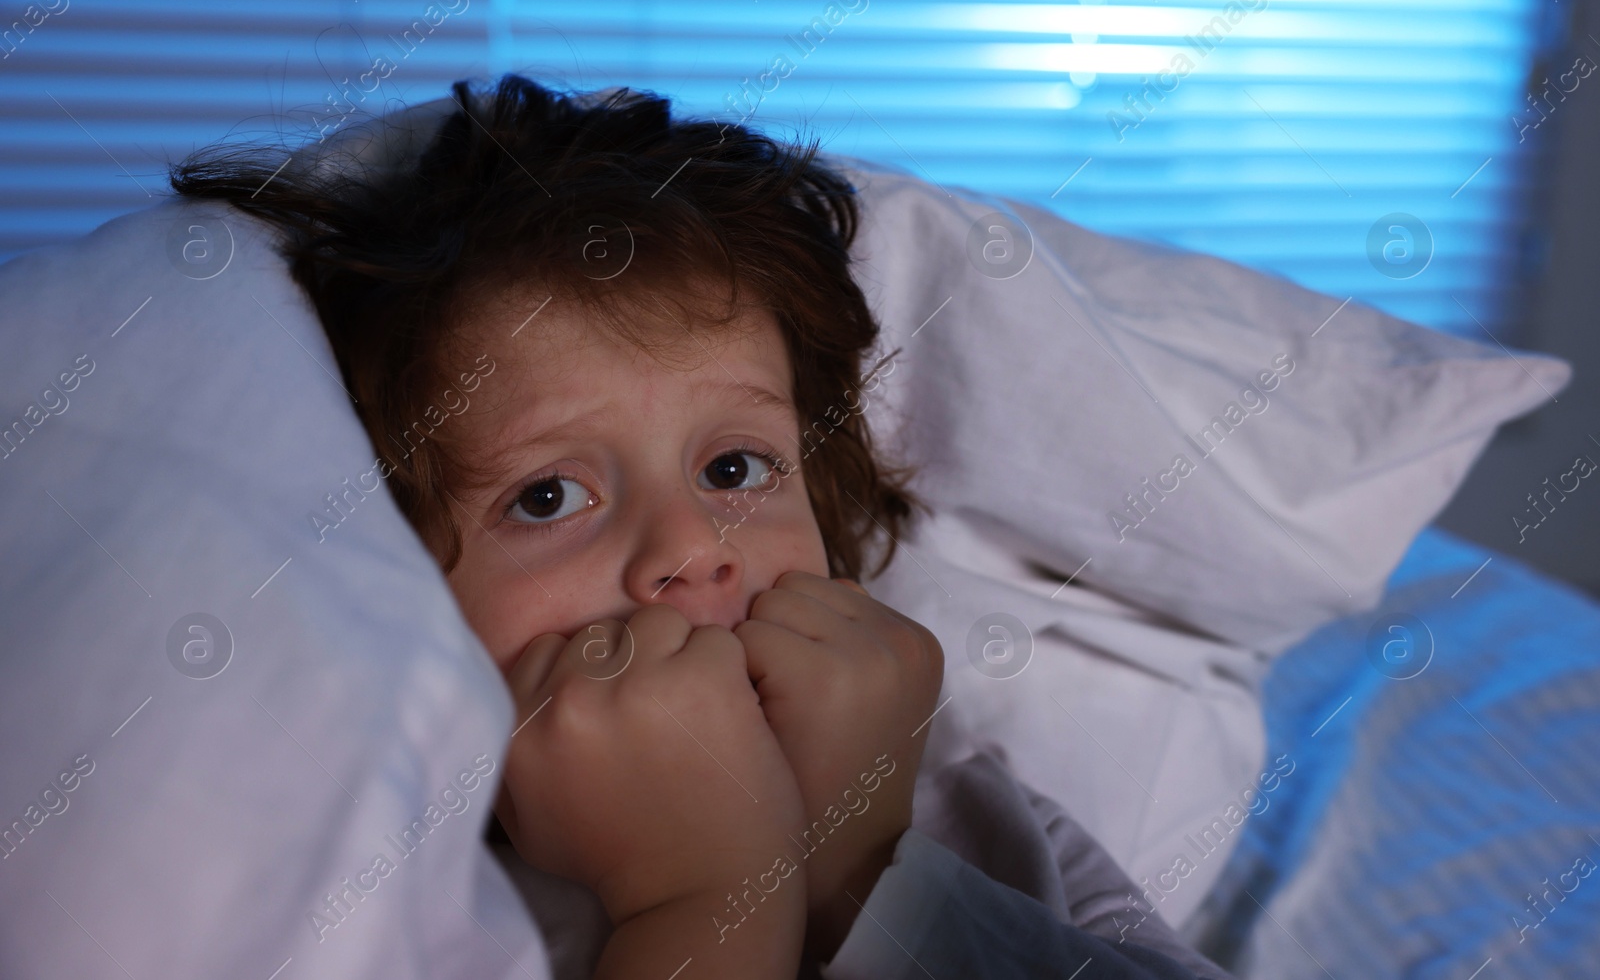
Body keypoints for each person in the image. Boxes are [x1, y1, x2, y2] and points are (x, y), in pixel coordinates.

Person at [171, 74, 1232, 980]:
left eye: (735, 466)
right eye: (545, 495)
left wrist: (861, 862)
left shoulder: (963, 797)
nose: (689, 545)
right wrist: (700, 897)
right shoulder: (374, 874)